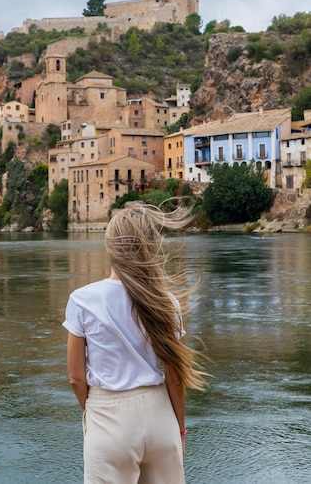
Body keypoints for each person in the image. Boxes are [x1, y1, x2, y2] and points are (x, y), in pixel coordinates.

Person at [63, 202, 207, 484]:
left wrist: (95, 410)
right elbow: (175, 380)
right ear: (150, 248)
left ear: (110, 248)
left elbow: (75, 378)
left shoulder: (83, 300)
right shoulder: (166, 302)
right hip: (160, 415)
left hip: (109, 416)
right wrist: (179, 431)